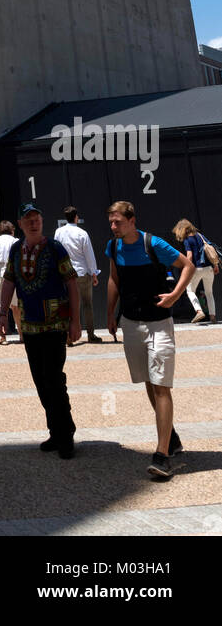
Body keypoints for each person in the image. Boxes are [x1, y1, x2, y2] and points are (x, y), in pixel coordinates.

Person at [106, 200, 195, 481]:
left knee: (160, 386)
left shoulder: (153, 243)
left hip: (159, 325)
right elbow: (114, 279)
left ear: (132, 220)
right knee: (147, 381)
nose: (113, 226)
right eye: (111, 221)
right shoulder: (114, 246)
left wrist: (175, 295)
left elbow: (187, 266)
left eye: (117, 221)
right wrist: (110, 315)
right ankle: (171, 437)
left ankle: (162, 455)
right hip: (131, 324)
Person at [0, 202, 81, 458]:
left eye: (37, 218)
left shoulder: (56, 248)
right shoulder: (15, 249)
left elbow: (72, 283)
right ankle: (55, 432)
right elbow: (9, 281)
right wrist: (2, 314)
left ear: (42, 221)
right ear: (21, 224)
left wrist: (75, 321)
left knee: (55, 379)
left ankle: (65, 435)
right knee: (40, 381)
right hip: (30, 326)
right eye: (28, 219)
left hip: (55, 325)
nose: (33, 222)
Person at [54, 205, 102, 345]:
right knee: (87, 304)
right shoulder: (82, 233)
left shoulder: (59, 232)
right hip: (82, 272)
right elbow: (89, 255)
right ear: (76, 217)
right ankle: (91, 334)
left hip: (66, 272)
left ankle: (69, 336)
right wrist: (94, 273)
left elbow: (57, 251)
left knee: (69, 304)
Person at [172, 219, 218, 323]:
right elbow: (211, 249)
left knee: (190, 290)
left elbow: (190, 255)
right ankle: (213, 316)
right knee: (209, 293)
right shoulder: (200, 236)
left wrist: (187, 268)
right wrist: (215, 265)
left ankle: (198, 311)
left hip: (197, 268)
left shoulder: (188, 240)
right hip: (209, 268)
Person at [0, 220, 21, 343]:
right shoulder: (16, 241)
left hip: (0, 276)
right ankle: (21, 335)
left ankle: (2, 336)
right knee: (16, 307)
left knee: (2, 307)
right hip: (13, 276)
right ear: (11, 230)